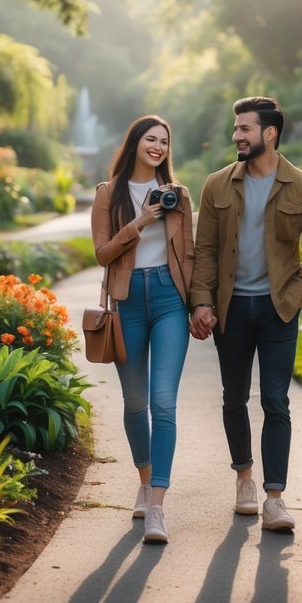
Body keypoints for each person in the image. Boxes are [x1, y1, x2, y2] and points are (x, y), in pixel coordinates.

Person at [189, 96, 302, 532]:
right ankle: (244, 481)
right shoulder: (217, 184)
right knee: (235, 399)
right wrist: (202, 302)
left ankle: (275, 498)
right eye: (236, 129)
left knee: (276, 401)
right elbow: (206, 250)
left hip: (278, 311)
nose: (237, 136)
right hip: (230, 310)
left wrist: (294, 296)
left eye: (245, 129)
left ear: (269, 134)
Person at [91, 115, 195, 544]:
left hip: (170, 299)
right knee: (135, 403)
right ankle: (144, 478)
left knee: (163, 402)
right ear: (135, 142)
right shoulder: (108, 194)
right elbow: (101, 253)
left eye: (165, 142)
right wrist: (139, 222)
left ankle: (157, 505)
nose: (158, 147)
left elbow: (191, 254)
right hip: (128, 301)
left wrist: (199, 303)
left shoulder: (179, 195)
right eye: (151, 139)